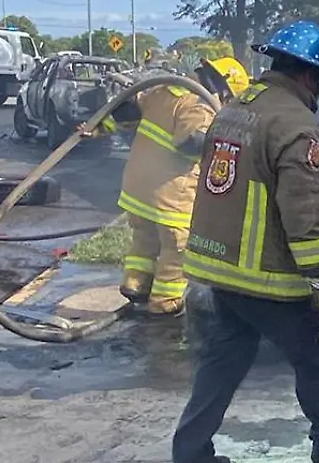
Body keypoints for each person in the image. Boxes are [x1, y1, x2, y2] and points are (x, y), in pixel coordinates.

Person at [170, 20, 319, 463]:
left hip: (218, 269)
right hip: (266, 275)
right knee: (317, 354)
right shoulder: (296, 124)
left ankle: (189, 455)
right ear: (310, 76)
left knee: (221, 362)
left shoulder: (234, 109)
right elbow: (303, 208)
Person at [92, 61, 224, 317]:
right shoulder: (197, 106)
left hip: (137, 190)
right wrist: (217, 137)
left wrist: (96, 128)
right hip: (171, 196)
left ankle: (135, 284)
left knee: (145, 239)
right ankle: (165, 302)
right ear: (219, 87)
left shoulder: (161, 91)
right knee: (177, 249)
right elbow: (192, 143)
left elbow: (125, 115)